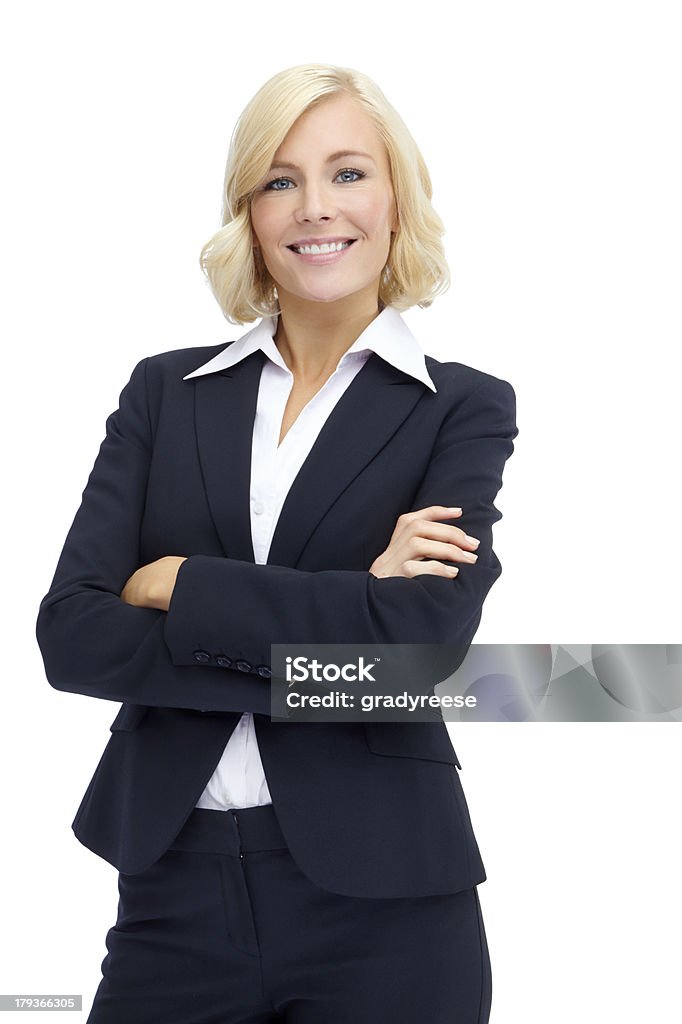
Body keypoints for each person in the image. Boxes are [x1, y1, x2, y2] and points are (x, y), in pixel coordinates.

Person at [35, 62, 518, 1023]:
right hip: (172, 888)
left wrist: (178, 583)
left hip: (388, 903)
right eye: (279, 179)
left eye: (346, 173)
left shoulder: (461, 407)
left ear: (395, 199)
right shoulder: (164, 394)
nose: (313, 208)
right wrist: (349, 621)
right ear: (248, 211)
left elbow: (418, 647)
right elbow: (72, 637)